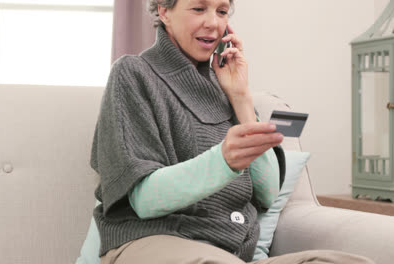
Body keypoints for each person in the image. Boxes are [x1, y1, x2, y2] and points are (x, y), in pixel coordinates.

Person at [89, 0, 375, 263]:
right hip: (151, 242)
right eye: (199, 8)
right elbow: (145, 200)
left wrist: (240, 98)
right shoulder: (133, 73)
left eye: (222, 11)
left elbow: (267, 193)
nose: (214, 23)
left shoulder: (225, 84)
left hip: (229, 253)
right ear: (164, 12)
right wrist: (223, 161)